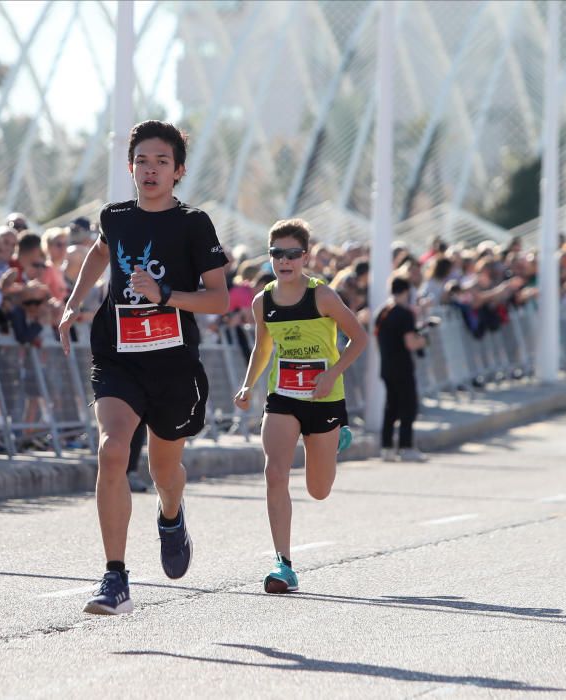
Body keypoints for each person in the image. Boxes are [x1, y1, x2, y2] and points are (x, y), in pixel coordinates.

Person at [59, 120, 229, 615]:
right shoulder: (115, 217)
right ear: (129, 167)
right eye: (141, 161)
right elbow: (100, 251)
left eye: (160, 162)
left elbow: (218, 299)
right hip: (118, 355)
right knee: (112, 452)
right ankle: (115, 577)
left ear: (177, 171)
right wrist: (73, 302)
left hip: (173, 363)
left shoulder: (194, 224)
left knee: (163, 467)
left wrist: (167, 296)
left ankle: (171, 515)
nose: (149, 170)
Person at [233, 218, 367, 595]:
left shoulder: (321, 296)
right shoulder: (263, 301)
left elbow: (359, 338)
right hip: (283, 397)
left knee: (319, 489)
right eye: (277, 254)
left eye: (292, 254)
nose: (284, 261)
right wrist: (247, 385)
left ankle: (335, 438)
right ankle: (283, 563)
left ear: (305, 257)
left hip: (324, 397)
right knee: (275, 471)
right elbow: (263, 347)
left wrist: (331, 374)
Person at [374, 276, 428, 462]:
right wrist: (424, 340)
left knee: (391, 408)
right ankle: (406, 447)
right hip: (402, 367)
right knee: (408, 407)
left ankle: (386, 447)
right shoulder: (404, 314)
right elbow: (410, 343)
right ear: (406, 292)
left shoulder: (382, 313)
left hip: (387, 366)